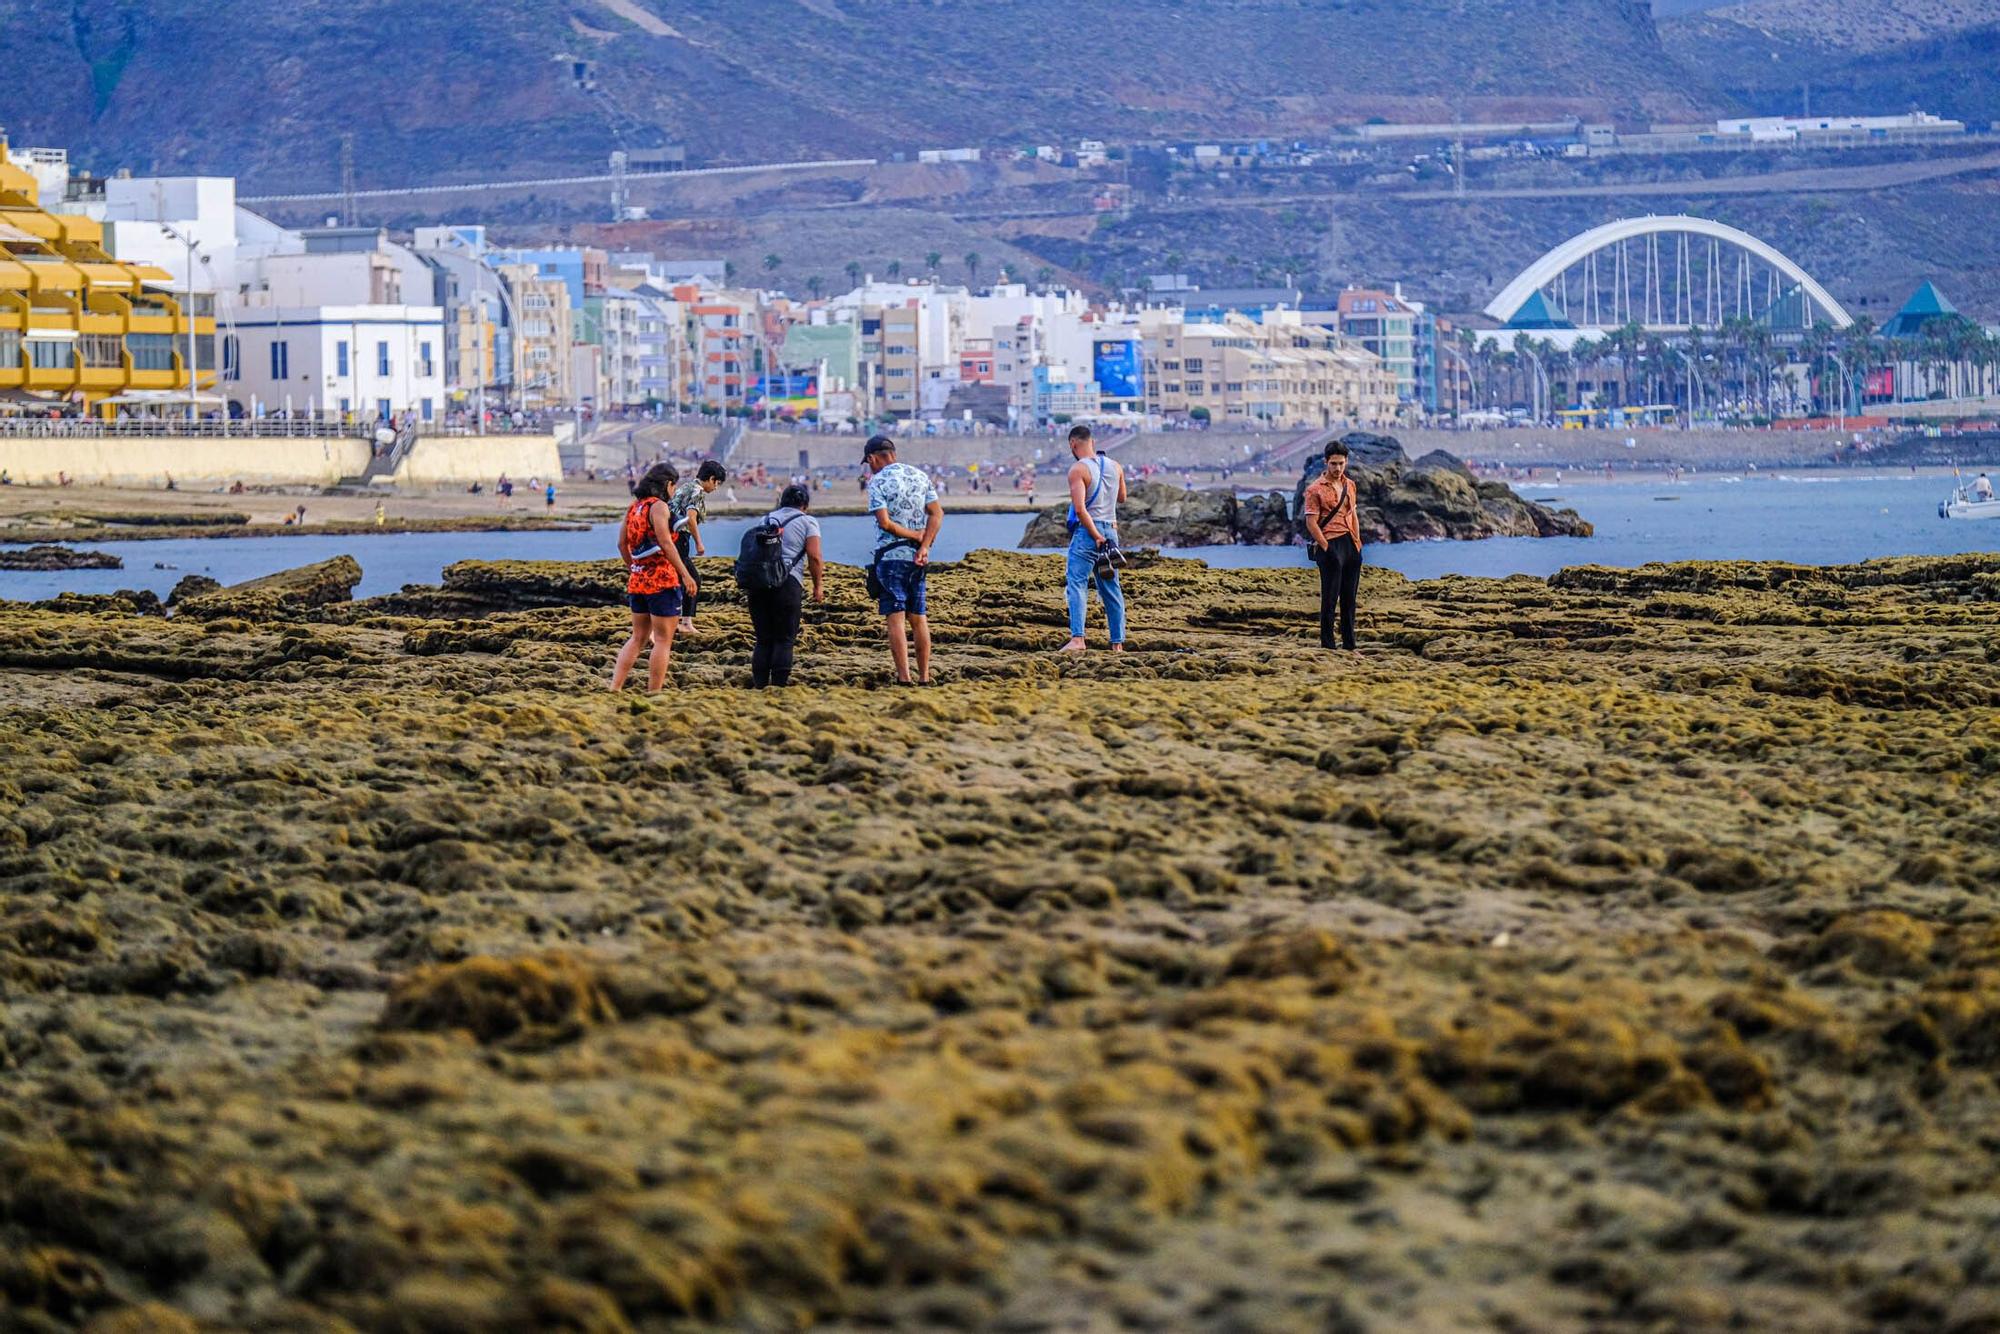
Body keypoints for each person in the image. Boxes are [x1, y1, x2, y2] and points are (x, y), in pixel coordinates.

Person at [609, 463, 697, 693]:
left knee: (637, 638)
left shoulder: (634, 507)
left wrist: (634, 568)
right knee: (662, 640)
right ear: (667, 484)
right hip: (662, 581)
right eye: (674, 486)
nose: (674, 491)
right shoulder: (658, 507)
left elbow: (621, 544)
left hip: (638, 582)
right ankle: (654, 692)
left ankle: (615, 687)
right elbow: (666, 543)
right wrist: (686, 575)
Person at [864, 434, 943, 685]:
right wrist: (924, 545)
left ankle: (904, 677)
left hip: (890, 558)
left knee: (896, 617)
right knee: (919, 618)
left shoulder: (877, 481)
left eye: (869, 463)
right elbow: (936, 513)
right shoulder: (920, 476)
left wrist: (915, 535)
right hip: (918, 559)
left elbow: (885, 523)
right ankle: (925, 676)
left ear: (872, 458)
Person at [747, 483, 824, 688]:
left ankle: (759, 685)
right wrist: (818, 586)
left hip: (759, 583)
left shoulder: (765, 519)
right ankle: (779, 687)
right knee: (784, 639)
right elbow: (814, 557)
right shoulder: (808, 522)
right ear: (804, 505)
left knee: (763, 639)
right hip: (788, 584)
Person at [1059, 424, 1127, 654]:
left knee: (1077, 583)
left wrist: (1095, 536)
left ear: (1073, 444)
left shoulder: (1078, 470)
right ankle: (1117, 644)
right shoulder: (1116, 466)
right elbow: (1122, 498)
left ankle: (1078, 639)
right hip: (1112, 530)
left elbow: (1080, 510)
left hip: (1090, 533)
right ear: (1093, 442)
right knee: (1111, 587)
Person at [1301, 440, 1362, 651]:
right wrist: (1326, 546)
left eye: (1341, 463)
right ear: (1326, 462)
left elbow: (1352, 513)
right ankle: (1328, 646)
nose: (1338, 468)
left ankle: (1350, 645)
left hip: (1350, 543)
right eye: (1334, 464)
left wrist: (1357, 541)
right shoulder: (1314, 489)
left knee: (1349, 600)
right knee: (1329, 599)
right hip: (1330, 545)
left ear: (1346, 462)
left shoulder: (1350, 485)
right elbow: (1311, 522)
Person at [669, 460, 727, 635]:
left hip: (670, 537)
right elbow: (691, 518)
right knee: (692, 580)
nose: (716, 487)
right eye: (717, 483)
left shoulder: (686, 487)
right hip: (679, 539)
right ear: (710, 479)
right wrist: (699, 543)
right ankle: (684, 622)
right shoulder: (697, 492)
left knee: (677, 580)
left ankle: (677, 619)